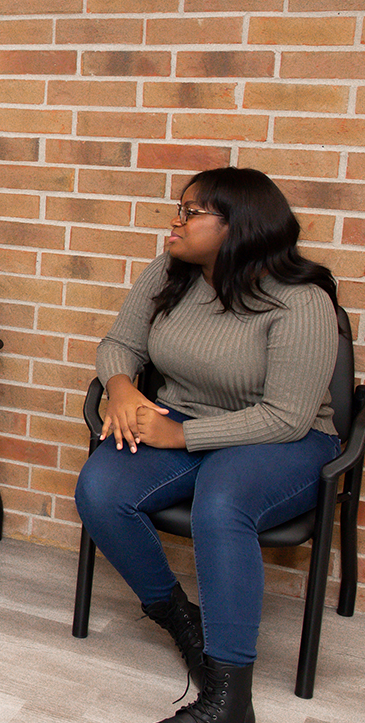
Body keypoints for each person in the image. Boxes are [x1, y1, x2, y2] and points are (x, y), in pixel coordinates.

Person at [74, 168, 342, 723]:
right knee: (100, 490)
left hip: (285, 439)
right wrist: (121, 388)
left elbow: (286, 417)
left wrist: (180, 435)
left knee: (222, 502)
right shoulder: (171, 271)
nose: (176, 222)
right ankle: (181, 620)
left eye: (191, 213)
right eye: (181, 208)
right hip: (184, 420)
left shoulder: (301, 301)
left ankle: (228, 702)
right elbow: (120, 342)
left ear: (238, 226)